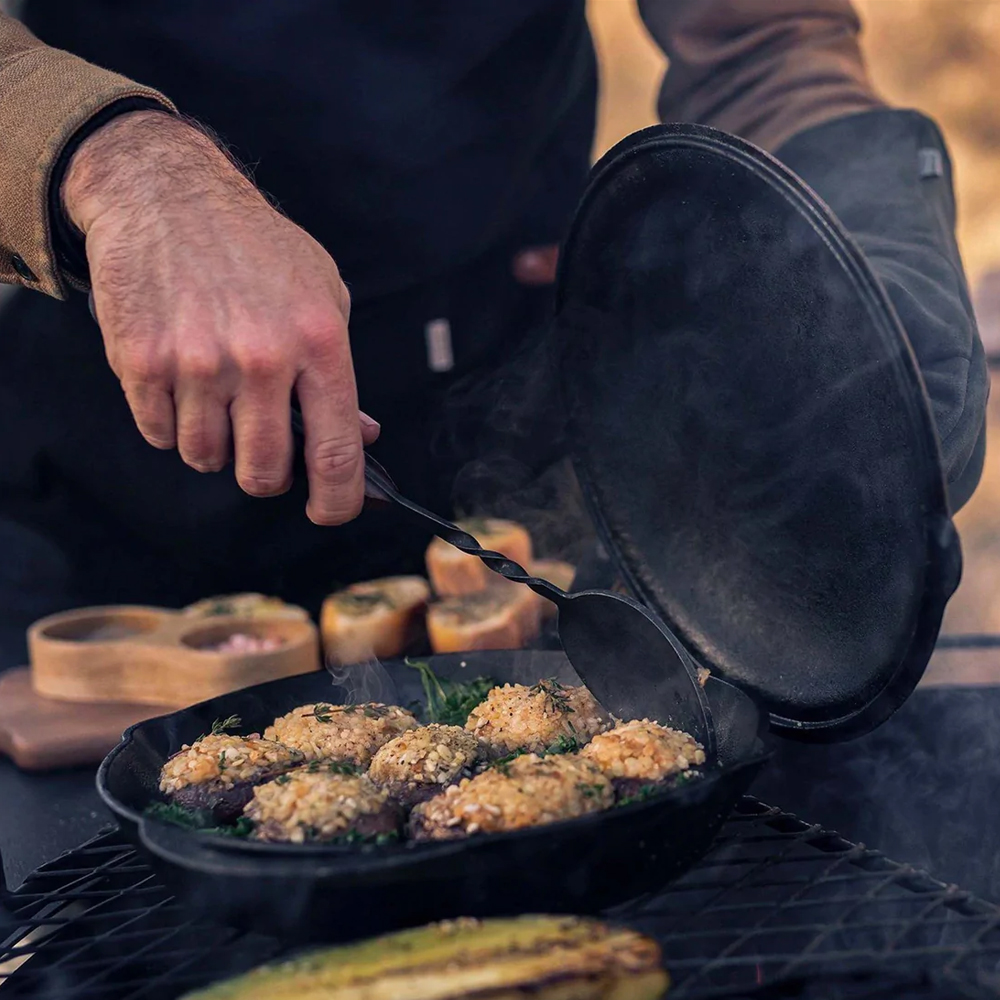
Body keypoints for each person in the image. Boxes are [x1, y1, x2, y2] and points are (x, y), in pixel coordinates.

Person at [0, 0, 987, 666]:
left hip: (511, 376)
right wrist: (123, 169)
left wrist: (852, 252)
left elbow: (764, 42)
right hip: (118, 431)